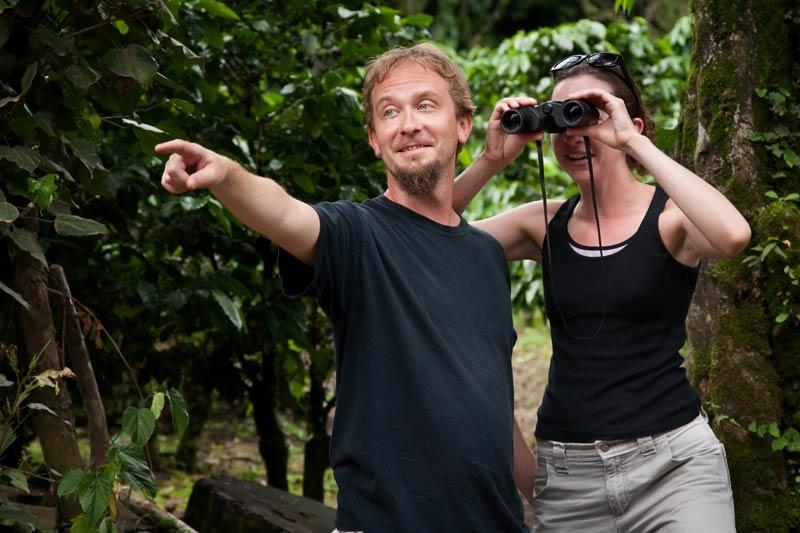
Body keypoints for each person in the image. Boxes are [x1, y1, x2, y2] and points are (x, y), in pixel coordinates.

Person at [156, 43, 532, 532]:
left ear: (462, 124)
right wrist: (227, 175)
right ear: (375, 139)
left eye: (425, 104)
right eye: (389, 112)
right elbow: (286, 213)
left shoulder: (484, 253)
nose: (408, 123)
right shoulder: (356, 235)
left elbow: (495, 404)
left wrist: (554, 496)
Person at [453, 52, 751, 532]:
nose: (572, 135)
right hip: (571, 478)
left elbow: (733, 235)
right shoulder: (542, 223)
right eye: (560, 120)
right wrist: (490, 160)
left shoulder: (671, 218)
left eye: (586, 114)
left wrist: (634, 141)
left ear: (626, 121)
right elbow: (424, 236)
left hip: (675, 469)